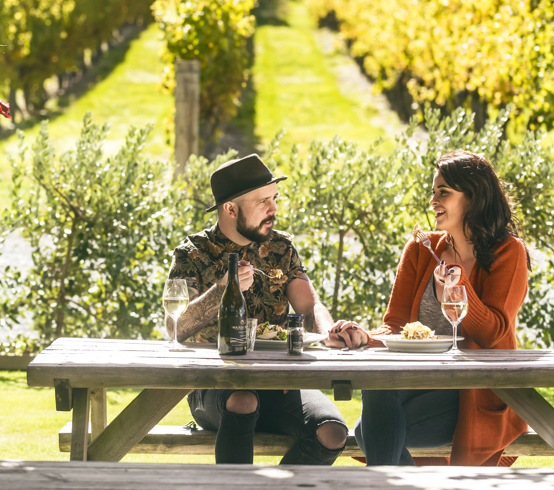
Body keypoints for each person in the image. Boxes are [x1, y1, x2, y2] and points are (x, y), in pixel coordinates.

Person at [325, 149, 530, 466]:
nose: (433, 201)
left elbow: (492, 333)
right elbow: (396, 328)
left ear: (473, 197)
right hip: (416, 387)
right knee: (377, 384)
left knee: (371, 434)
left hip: (472, 395)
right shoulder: (421, 251)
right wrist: (364, 336)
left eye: (443, 193)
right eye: (433, 192)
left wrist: (458, 287)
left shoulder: (508, 252)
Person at [169, 153, 348, 465]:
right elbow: (176, 328)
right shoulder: (192, 253)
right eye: (263, 201)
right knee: (243, 399)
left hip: (280, 384)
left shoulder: (281, 248)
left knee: (332, 432)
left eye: (275, 199)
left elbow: (310, 306)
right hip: (214, 386)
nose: (274, 210)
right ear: (230, 208)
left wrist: (329, 331)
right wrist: (222, 289)